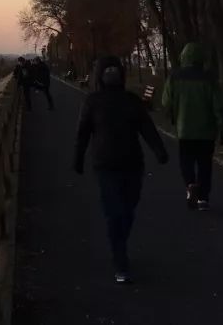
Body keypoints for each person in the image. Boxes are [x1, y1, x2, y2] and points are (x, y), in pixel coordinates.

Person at [74, 55, 168, 284]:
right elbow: (83, 132)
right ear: (101, 75)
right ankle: (120, 261)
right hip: (105, 166)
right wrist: (77, 159)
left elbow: (147, 127)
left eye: (115, 70)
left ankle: (120, 241)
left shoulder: (131, 100)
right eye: (108, 71)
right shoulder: (92, 101)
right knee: (114, 213)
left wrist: (159, 150)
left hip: (132, 164)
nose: (112, 74)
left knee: (128, 209)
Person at [161, 42, 223, 211]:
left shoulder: (175, 77)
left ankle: (190, 184)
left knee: (186, 161)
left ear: (183, 57)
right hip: (206, 132)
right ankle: (203, 198)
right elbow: (219, 106)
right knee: (205, 164)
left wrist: (170, 115)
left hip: (185, 129)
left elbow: (166, 102)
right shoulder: (209, 79)